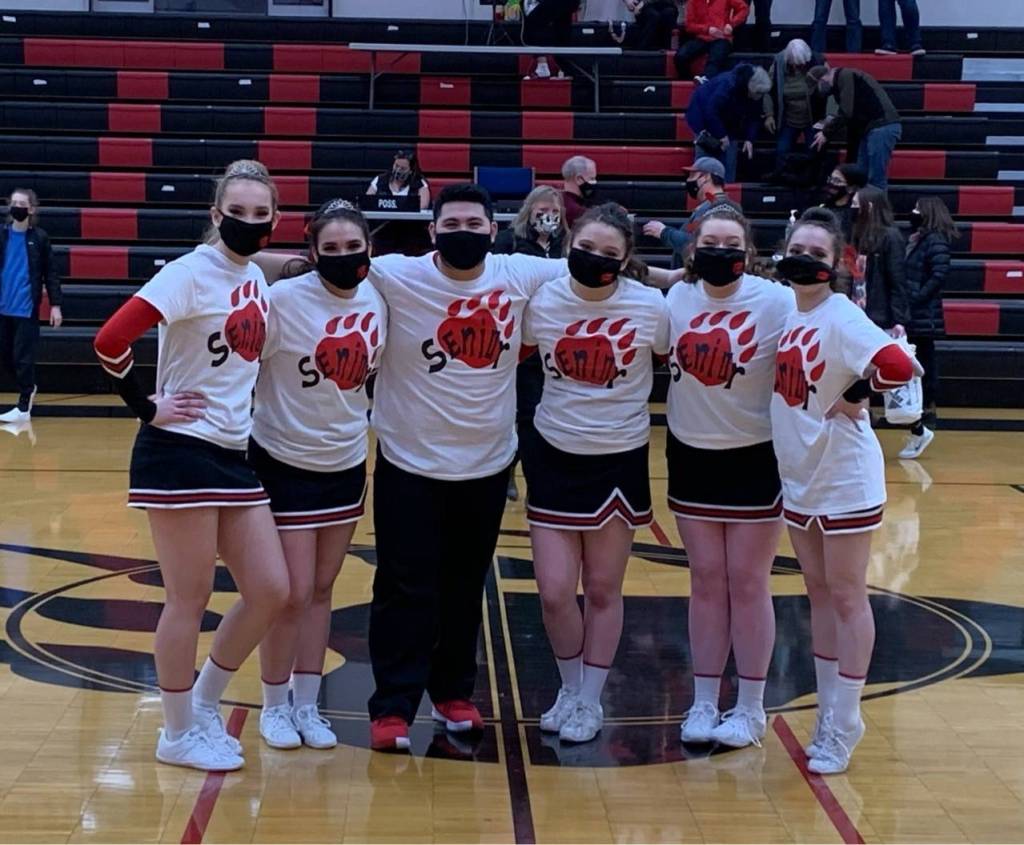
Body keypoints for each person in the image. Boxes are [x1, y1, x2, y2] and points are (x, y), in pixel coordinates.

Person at [92, 160, 290, 772]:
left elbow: (263, 270)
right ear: (216, 215)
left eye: (262, 214)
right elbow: (109, 340)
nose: (250, 223)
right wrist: (146, 407)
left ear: (274, 219)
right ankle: (176, 731)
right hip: (178, 452)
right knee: (189, 597)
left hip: (233, 452)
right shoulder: (188, 273)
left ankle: (203, 701)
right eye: (239, 212)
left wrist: (299, 263)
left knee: (270, 590)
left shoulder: (252, 272)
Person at [771, 207, 919, 774]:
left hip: (844, 478)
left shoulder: (838, 315)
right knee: (818, 595)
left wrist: (859, 394)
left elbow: (898, 364)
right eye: (799, 250)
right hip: (802, 474)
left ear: (835, 266)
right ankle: (829, 711)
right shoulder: (791, 310)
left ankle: (845, 719)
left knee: (847, 595)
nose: (805, 260)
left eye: (817, 254)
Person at [520, 203, 670, 744]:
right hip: (553, 451)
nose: (596, 259)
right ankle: (569, 686)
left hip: (618, 456)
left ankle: (590, 698)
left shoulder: (650, 306)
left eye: (610, 253)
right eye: (588, 248)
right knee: (555, 590)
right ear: (568, 246)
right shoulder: (541, 300)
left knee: (603, 588)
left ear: (627, 259)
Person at [249, 200, 387, 751]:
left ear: (368, 250)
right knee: (292, 593)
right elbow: (245, 365)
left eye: (352, 247)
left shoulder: (378, 298)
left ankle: (308, 705)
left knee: (324, 589)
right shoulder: (282, 302)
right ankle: (273, 704)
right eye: (329, 248)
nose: (343, 256)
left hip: (347, 459)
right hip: (284, 459)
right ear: (311, 253)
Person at [662, 207, 794, 748]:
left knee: (747, 581)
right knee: (705, 582)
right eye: (710, 240)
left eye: (730, 241)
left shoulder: (776, 300)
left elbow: (826, 335)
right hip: (690, 454)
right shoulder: (676, 298)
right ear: (694, 248)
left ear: (748, 250)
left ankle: (750, 707)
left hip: (756, 457)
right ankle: (702, 702)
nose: (719, 249)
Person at [493, 186, 570, 501]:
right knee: (515, 413)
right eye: (541, 212)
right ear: (528, 211)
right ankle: (507, 471)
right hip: (515, 338)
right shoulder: (509, 242)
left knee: (537, 415)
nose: (548, 218)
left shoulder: (565, 245)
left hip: (553, 341)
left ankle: (534, 476)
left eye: (553, 212)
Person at [0, 189, 62, 423]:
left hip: (25, 308)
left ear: (31, 209)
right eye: (13, 202)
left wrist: (55, 305)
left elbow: (50, 273)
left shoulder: (40, 238)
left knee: (23, 358)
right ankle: (27, 388)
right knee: (6, 357)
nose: (17, 206)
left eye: (22, 203)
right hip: (2, 307)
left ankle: (24, 404)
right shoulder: (2, 235)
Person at [899, 196, 954, 460]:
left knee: (925, 360)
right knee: (920, 358)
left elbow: (939, 274)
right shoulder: (918, 238)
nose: (914, 212)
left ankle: (928, 407)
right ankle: (919, 407)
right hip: (915, 309)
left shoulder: (936, 240)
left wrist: (919, 295)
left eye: (918, 208)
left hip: (924, 311)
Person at [808, 64, 902, 191]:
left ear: (822, 80)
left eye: (817, 87)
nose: (820, 92)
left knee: (876, 179)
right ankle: (862, 208)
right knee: (861, 177)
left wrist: (826, 133)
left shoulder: (845, 76)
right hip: (870, 129)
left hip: (882, 127)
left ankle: (877, 210)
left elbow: (847, 111)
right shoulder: (842, 81)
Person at [642, 156, 742, 268]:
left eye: (692, 176)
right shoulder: (711, 205)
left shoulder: (723, 207)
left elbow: (695, 243)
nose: (688, 180)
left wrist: (664, 232)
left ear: (705, 177)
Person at [685, 64, 773, 182]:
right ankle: (699, 188)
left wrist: (749, 139)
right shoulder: (727, 84)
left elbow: (754, 116)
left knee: (729, 161)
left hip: (729, 121)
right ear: (751, 88)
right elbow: (711, 111)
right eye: (759, 94)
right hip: (702, 118)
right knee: (704, 160)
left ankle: (727, 189)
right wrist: (721, 134)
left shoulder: (757, 91)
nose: (760, 97)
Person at [850, 186, 910, 334]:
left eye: (855, 205)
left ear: (868, 207)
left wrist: (899, 319)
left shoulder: (890, 237)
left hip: (879, 315)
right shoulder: (859, 235)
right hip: (857, 311)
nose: (852, 208)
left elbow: (897, 280)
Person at [765, 39, 826, 171]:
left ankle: (811, 181)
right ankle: (781, 178)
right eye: (794, 64)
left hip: (812, 118)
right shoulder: (778, 63)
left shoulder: (818, 61)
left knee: (814, 149)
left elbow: (830, 89)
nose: (796, 67)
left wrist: (825, 122)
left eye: (800, 64)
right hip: (788, 118)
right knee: (781, 150)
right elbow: (767, 91)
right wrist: (769, 115)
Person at [365, 150, 431, 256]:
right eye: (396, 166)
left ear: (411, 170)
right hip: (382, 232)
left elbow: (423, 205)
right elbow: (368, 201)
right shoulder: (380, 180)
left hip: (410, 233)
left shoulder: (420, 184)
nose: (398, 170)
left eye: (403, 168)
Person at [674, 0, 750, 82]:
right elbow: (689, 25)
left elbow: (744, 8)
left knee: (716, 56)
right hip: (702, 37)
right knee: (680, 56)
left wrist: (732, 24)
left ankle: (706, 78)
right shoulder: (693, 1)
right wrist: (707, 29)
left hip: (722, 38)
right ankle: (687, 80)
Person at [821, 163, 868, 242]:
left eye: (837, 181)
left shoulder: (853, 215)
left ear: (851, 188)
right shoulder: (822, 206)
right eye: (830, 179)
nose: (831, 183)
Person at [610, 0, 679, 51]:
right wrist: (628, 1)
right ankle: (640, 52)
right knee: (653, 16)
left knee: (669, 13)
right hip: (646, 8)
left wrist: (644, 3)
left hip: (665, 4)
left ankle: (668, 51)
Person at [561, 155, 599, 228]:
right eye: (592, 179)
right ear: (578, 179)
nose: (595, 182)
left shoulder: (556, 200)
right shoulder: (578, 211)